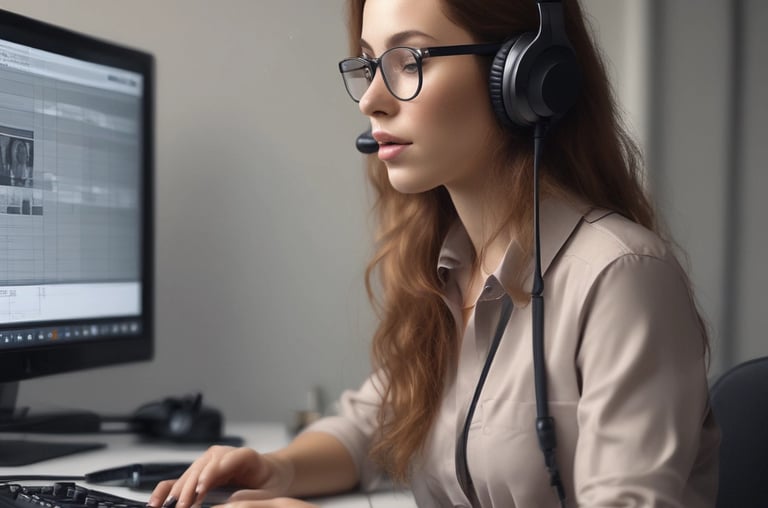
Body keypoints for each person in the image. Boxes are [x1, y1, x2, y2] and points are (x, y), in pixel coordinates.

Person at [149, 0, 719, 506]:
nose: (371, 100)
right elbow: (370, 424)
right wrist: (279, 468)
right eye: (370, 63)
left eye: (409, 62)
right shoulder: (449, 268)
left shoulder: (620, 277)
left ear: (522, 79)